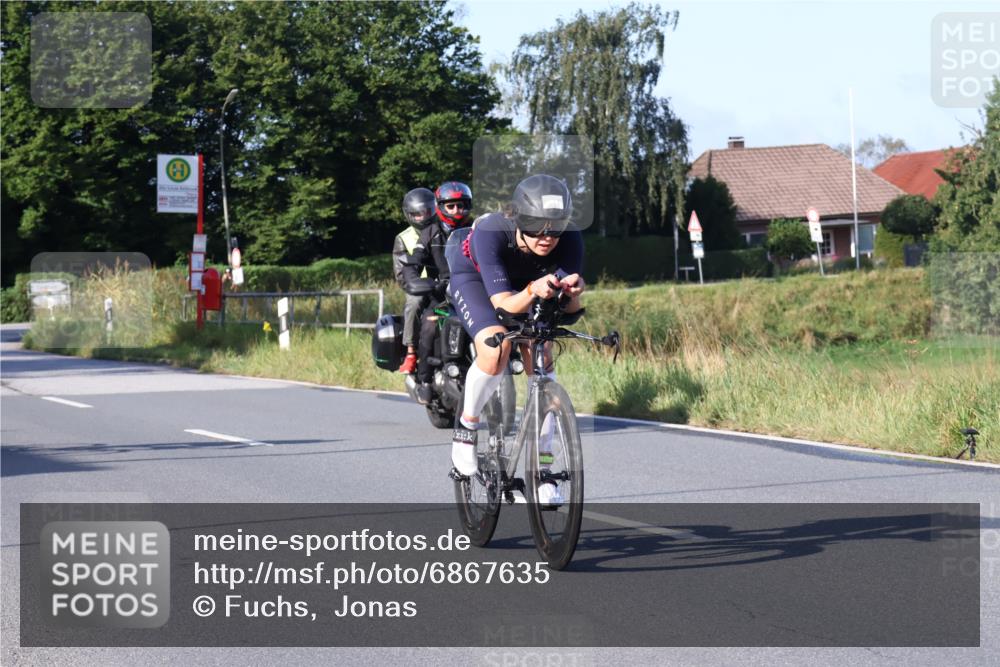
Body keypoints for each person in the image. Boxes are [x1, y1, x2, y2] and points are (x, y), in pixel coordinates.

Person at [445, 174, 585, 505]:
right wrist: (532, 290)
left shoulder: (571, 239)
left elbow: (567, 312)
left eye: (556, 226)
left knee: (543, 355)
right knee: (497, 345)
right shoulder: (493, 231)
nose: (547, 236)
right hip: (476, 278)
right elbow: (506, 307)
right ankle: (466, 428)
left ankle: (544, 470)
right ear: (519, 217)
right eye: (536, 225)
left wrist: (575, 295)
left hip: (529, 283)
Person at [411, 181, 474, 403]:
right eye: (451, 206)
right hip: (441, 296)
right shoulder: (431, 231)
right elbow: (416, 260)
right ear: (441, 207)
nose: (457, 210)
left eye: (462, 205)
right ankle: (425, 380)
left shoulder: (476, 229)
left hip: (473, 291)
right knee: (428, 326)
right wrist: (414, 279)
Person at [392, 188, 437, 373]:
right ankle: (410, 351)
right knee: (414, 301)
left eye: (426, 212)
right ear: (409, 215)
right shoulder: (403, 238)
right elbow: (401, 273)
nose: (422, 217)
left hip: (446, 283)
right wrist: (417, 284)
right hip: (421, 287)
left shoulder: (442, 229)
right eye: (416, 215)